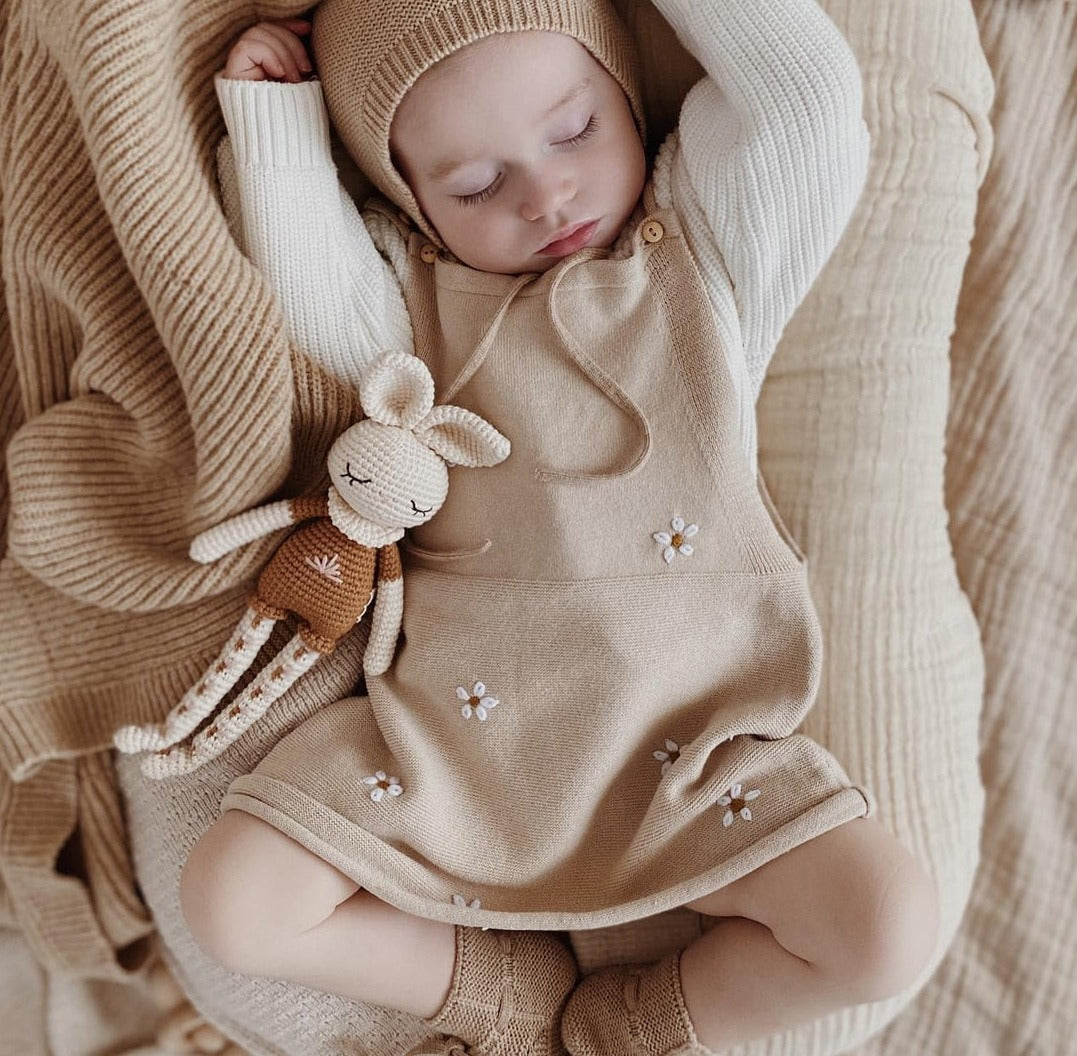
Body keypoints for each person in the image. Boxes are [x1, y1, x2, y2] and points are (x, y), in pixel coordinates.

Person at [177, 2, 940, 1054]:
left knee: (887, 927)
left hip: (697, 753)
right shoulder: (410, 317)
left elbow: (806, 101)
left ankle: (625, 1028)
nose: (545, 194)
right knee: (232, 899)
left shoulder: (705, 270)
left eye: (575, 129)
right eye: (477, 187)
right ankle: (501, 995)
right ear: (412, 208)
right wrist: (276, 127)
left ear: (627, 95)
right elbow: (308, 283)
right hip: (452, 756)